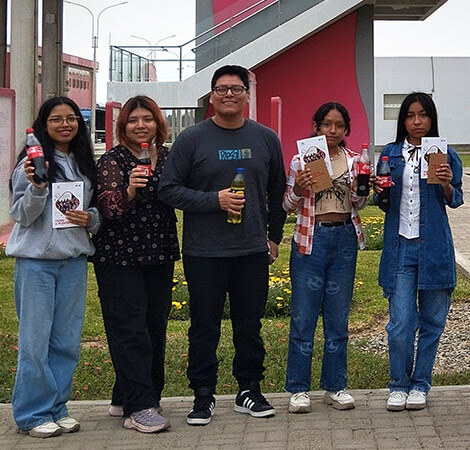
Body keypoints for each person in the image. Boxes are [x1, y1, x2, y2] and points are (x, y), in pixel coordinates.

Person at [158, 65, 286, 426]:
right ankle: (203, 395)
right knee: (203, 326)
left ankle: (249, 389)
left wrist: (273, 237)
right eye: (221, 89)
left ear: (247, 95)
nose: (228, 94)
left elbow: (276, 193)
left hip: (250, 251)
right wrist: (214, 200)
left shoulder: (265, 138)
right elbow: (168, 189)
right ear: (211, 96)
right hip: (204, 252)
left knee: (249, 325)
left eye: (236, 88)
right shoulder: (192, 139)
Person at [6, 97, 100, 438]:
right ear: (44, 125)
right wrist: (37, 188)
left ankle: (57, 407)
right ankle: (32, 414)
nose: (65, 124)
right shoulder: (31, 164)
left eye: (72, 118)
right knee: (35, 342)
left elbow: (96, 213)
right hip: (37, 265)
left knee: (66, 342)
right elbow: (21, 215)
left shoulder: (84, 163)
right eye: (56, 119)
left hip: (73, 262)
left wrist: (90, 218)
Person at [92, 95, 179, 433]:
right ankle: (138, 408)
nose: (140, 125)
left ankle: (127, 396)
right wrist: (128, 190)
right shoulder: (113, 160)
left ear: (158, 123)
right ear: (123, 127)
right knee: (129, 329)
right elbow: (108, 208)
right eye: (133, 120)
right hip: (119, 256)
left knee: (154, 327)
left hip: (159, 252)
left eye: (147, 118)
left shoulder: (169, 157)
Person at [374, 92, 463, 411]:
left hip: (435, 248)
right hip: (401, 248)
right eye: (410, 116)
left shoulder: (445, 153)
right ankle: (399, 383)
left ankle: (420, 384)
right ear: (403, 121)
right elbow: (381, 202)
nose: (417, 121)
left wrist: (446, 184)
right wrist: (379, 190)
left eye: (423, 115)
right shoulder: (390, 154)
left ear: (431, 118)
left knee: (432, 322)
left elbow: (455, 200)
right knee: (400, 323)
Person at [283, 102, 368, 414]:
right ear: (316, 127)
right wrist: (300, 189)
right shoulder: (301, 160)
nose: (332, 131)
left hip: (344, 236)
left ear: (346, 130)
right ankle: (299, 389)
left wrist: (362, 188)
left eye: (339, 125)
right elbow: (287, 204)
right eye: (327, 125)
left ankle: (335, 385)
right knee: (303, 317)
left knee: (337, 316)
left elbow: (359, 203)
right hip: (311, 238)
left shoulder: (355, 160)